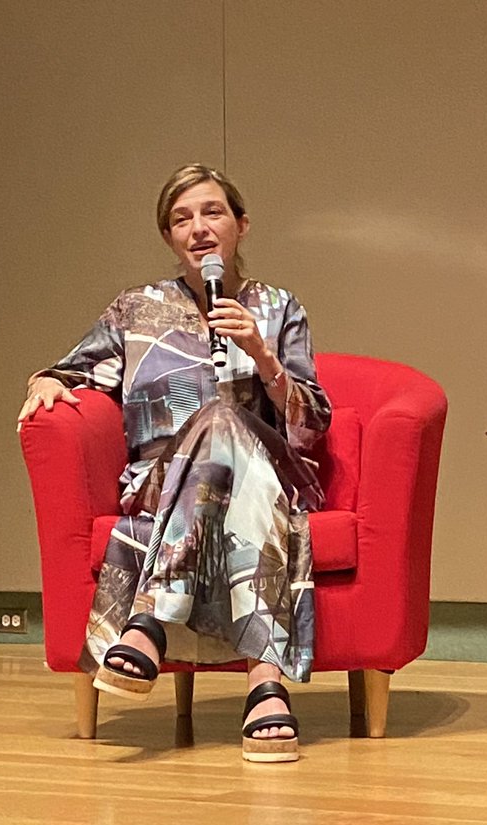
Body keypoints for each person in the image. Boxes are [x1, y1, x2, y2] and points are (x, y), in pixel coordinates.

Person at [17, 164, 331, 763]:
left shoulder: (277, 307)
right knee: (213, 420)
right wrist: (43, 385)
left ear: (241, 225)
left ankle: (148, 619)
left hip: (264, 475)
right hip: (163, 484)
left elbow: (313, 424)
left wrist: (263, 356)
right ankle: (266, 684)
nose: (198, 229)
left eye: (213, 213)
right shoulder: (138, 309)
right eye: (181, 219)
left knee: (223, 419)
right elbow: (69, 368)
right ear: (169, 238)